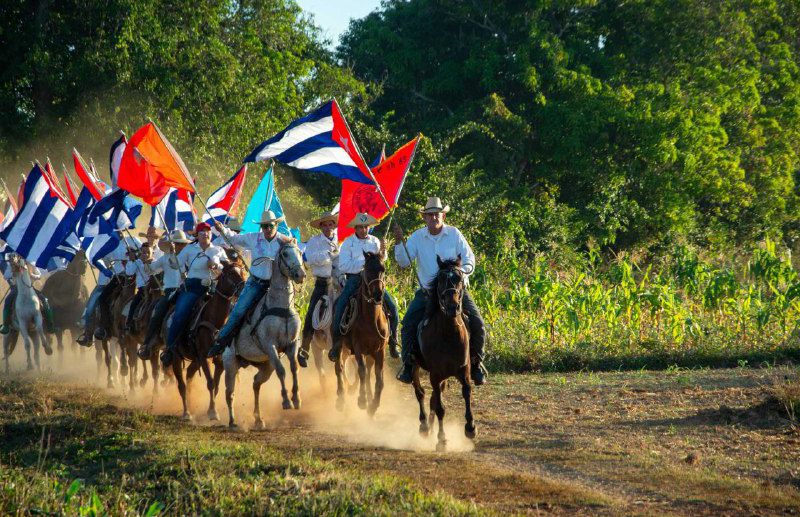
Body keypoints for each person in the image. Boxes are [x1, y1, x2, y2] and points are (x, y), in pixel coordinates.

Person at [393, 197, 487, 385]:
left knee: (478, 324)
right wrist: (398, 242)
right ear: (424, 218)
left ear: (443, 216)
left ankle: (476, 363)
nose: (434, 217)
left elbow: (470, 260)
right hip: (428, 293)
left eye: (437, 214)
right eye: (430, 215)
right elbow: (403, 262)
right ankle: (409, 364)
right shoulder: (417, 237)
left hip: (455, 292)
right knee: (408, 323)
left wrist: (459, 273)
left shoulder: (454, 234)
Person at [207, 210, 292, 358]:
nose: (268, 229)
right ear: (261, 227)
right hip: (256, 283)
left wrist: (293, 243)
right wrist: (222, 230)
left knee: (290, 310)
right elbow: (233, 239)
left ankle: (293, 341)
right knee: (239, 310)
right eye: (264, 226)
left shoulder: (284, 241)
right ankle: (221, 341)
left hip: (276, 285)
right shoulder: (254, 238)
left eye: (271, 226)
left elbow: (295, 254)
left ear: (276, 225)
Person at [327, 213, 400, 362]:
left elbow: (381, 261)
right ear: (355, 228)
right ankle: (337, 344)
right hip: (354, 279)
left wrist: (383, 253)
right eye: (360, 227)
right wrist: (365, 265)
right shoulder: (348, 243)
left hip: (373, 280)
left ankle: (393, 341)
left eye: (366, 227)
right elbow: (343, 265)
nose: (363, 230)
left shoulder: (375, 241)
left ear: (369, 227)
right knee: (339, 306)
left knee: (393, 307)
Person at [161, 222, 228, 367]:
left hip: (214, 289)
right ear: (197, 235)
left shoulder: (218, 250)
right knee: (179, 315)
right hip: (192, 288)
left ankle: (232, 348)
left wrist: (216, 265)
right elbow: (176, 264)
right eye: (202, 232)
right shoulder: (189, 249)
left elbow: (227, 268)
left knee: (231, 312)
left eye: (207, 231)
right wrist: (173, 256)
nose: (205, 234)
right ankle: (170, 348)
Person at [136, 230, 191, 359]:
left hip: (186, 290)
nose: (179, 246)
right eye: (176, 243)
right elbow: (150, 271)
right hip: (170, 291)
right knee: (157, 313)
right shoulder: (165, 258)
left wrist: (188, 276)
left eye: (181, 243)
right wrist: (146, 262)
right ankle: (147, 343)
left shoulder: (189, 258)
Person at [298, 209, 339, 368]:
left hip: (339, 281)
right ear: (320, 227)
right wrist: (328, 254)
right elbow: (311, 259)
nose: (328, 228)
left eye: (330, 224)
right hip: (323, 283)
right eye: (324, 225)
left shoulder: (341, 241)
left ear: (334, 226)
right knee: (311, 313)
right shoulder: (314, 242)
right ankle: (304, 349)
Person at [0, 258, 55, 334]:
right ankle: (5, 325)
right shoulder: (13, 265)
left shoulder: (31, 263)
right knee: (8, 301)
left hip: (30, 287)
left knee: (44, 300)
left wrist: (31, 275)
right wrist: (12, 273)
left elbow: (39, 276)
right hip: (17, 288)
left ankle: (50, 325)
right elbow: (6, 276)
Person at [76, 260, 112, 346]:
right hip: (101, 286)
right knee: (90, 305)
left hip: (118, 282)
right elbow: (93, 263)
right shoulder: (101, 255)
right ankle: (87, 334)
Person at [124, 243, 155, 334]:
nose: (146, 254)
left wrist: (147, 263)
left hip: (153, 289)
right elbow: (129, 273)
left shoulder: (156, 262)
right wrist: (132, 260)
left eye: (148, 252)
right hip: (142, 290)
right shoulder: (137, 262)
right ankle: (129, 325)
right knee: (134, 304)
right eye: (144, 252)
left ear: (152, 253)